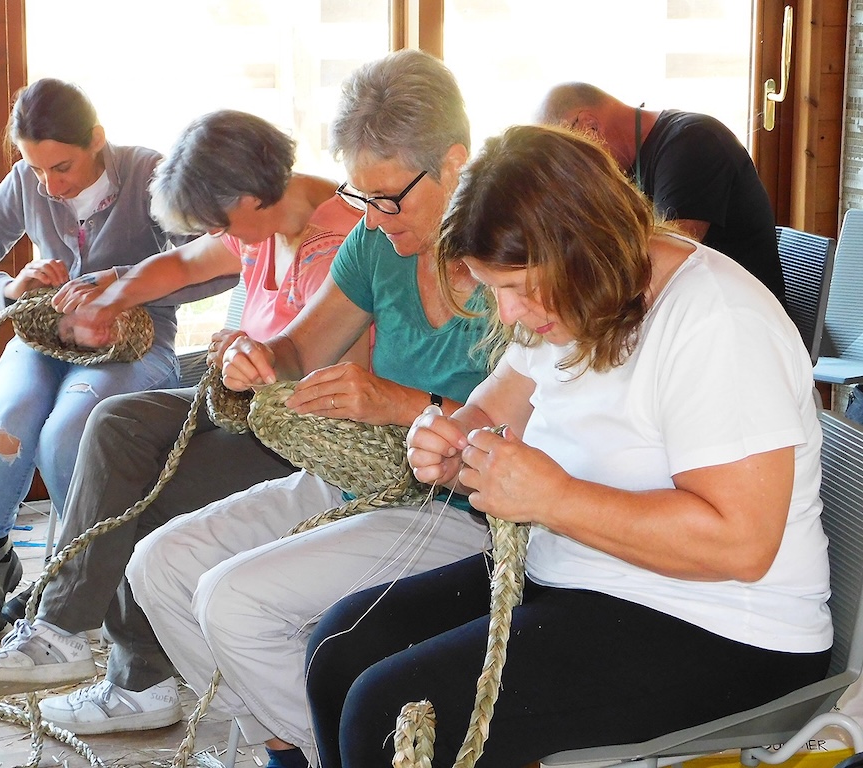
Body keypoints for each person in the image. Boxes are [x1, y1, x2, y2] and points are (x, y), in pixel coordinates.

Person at [304, 124, 832, 768]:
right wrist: (448, 441)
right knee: (339, 649)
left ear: (587, 246)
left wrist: (554, 499)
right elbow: (491, 412)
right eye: (494, 289)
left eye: (518, 288)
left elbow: (741, 544)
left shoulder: (717, 320)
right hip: (580, 579)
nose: (507, 315)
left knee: (391, 711)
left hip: (726, 630)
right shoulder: (575, 292)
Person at [0, 109, 369, 735]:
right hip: (243, 398)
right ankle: (62, 629)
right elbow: (181, 266)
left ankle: (142, 681)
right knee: (116, 422)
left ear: (251, 195)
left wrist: (254, 359)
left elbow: (324, 381)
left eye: (221, 223)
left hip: (306, 435)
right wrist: (105, 295)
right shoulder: (262, 217)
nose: (221, 237)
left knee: (150, 489)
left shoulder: (344, 240)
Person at [126, 50, 491, 768]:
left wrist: (397, 403)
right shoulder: (377, 241)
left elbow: (537, 422)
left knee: (234, 601)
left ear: (455, 163)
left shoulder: (515, 254)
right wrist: (254, 360)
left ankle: (336, 751)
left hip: (460, 508)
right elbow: (300, 349)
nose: (375, 217)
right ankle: (292, 744)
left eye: (390, 197)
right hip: (364, 480)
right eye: (362, 197)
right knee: (158, 565)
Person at [0, 78, 233, 640]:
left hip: (138, 346)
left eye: (62, 167)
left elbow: (219, 263)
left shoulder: (149, 173)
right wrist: (11, 286)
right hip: (47, 340)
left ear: (97, 139)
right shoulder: (26, 181)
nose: (48, 185)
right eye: (36, 168)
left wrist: (124, 290)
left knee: (68, 430)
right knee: (10, 420)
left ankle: (71, 572)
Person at [535, 82, 785, 302]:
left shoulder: (693, 142)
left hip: (738, 327)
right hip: (693, 312)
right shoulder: (627, 165)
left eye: (568, 159)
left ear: (589, 127)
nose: (574, 174)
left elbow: (662, 264)